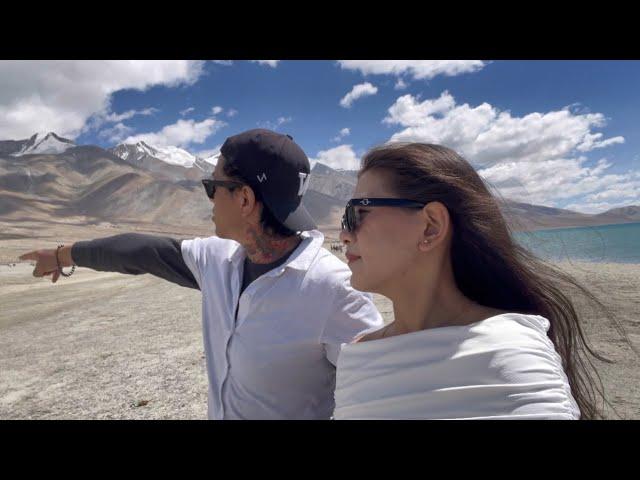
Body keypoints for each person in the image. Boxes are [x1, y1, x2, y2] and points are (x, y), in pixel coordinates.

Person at [20, 128, 383, 420]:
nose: (208, 199)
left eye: (212, 188)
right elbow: (142, 251)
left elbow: (381, 395)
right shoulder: (217, 259)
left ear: (244, 199)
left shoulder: (334, 289)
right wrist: (61, 256)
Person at [333, 142, 608, 420]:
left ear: (431, 226)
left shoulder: (512, 357)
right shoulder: (358, 356)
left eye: (358, 212)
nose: (344, 234)